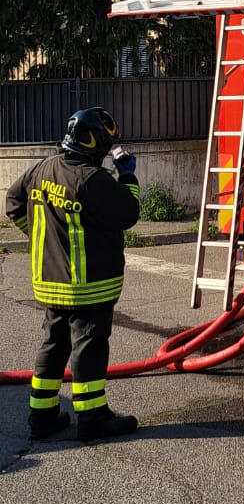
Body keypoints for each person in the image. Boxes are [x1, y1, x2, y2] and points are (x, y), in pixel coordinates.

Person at [5, 107, 141, 442]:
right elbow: (128, 213)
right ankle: (93, 419)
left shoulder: (42, 169)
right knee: (89, 349)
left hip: (50, 283)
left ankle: (42, 417)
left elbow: (13, 202)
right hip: (88, 286)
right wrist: (128, 177)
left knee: (54, 344)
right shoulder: (92, 180)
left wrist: (43, 238)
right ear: (97, 143)